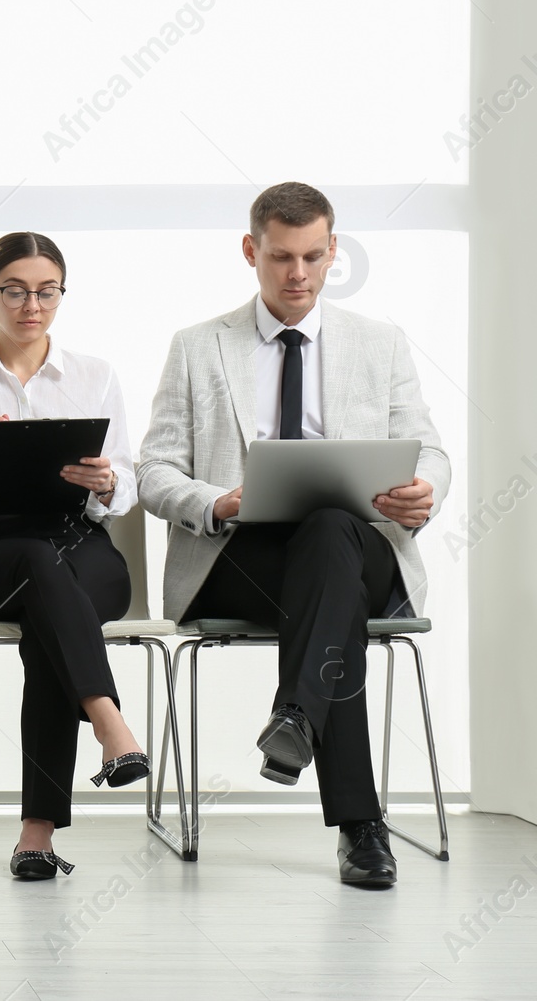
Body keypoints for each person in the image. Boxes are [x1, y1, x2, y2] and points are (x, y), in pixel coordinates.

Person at [138, 181, 450, 888]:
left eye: (314, 256)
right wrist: (219, 501)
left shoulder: (380, 342)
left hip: (355, 548)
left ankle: (296, 718)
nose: (298, 274)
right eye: (281, 256)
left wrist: (424, 489)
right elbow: (154, 469)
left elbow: (429, 449)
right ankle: (359, 827)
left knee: (333, 532)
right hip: (239, 558)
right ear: (252, 251)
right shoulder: (197, 347)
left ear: (334, 250)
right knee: (331, 597)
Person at [0, 231, 150, 879]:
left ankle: (38, 834)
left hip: (81, 542)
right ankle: (110, 724)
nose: (32, 305)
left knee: (53, 602)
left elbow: (125, 485)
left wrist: (106, 483)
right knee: (41, 574)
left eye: (47, 291)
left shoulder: (95, 375)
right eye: (16, 291)